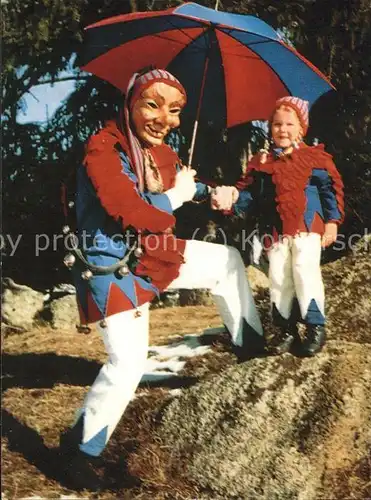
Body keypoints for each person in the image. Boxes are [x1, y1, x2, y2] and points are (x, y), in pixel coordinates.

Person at [60, 68, 265, 491]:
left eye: (174, 110)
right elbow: (132, 210)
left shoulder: (160, 152)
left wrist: (219, 193)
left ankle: (251, 351)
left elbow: (188, 184)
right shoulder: (104, 148)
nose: (164, 119)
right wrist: (178, 195)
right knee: (128, 364)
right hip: (111, 267)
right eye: (152, 105)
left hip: (152, 255)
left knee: (226, 261)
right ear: (131, 103)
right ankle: (77, 453)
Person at [212, 96, 344, 357]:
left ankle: (315, 327)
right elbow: (248, 194)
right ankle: (286, 329)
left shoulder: (314, 158)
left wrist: (332, 222)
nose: (282, 130)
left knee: (304, 270)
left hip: (308, 227)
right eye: (276, 124)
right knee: (279, 277)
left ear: (301, 128)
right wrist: (229, 200)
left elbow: (331, 190)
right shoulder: (262, 163)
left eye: (289, 125)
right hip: (275, 231)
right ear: (270, 127)